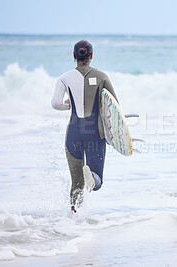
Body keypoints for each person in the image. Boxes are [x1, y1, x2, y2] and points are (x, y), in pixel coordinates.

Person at [51, 40, 118, 212]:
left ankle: (74, 219)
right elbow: (114, 106)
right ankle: (93, 178)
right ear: (91, 56)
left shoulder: (64, 78)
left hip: (73, 133)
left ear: (74, 56)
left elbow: (56, 104)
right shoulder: (102, 77)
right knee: (96, 181)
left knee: (77, 182)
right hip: (95, 134)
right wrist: (114, 135)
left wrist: (71, 106)